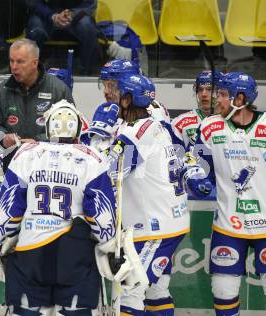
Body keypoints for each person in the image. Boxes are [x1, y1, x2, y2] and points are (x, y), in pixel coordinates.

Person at [0, 99, 120, 315]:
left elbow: (9, 208)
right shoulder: (92, 158)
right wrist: (110, 246)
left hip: (31, 254)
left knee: (26, 311)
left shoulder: (26, 153)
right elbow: (102, 218)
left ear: (48, 127)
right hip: (75, 256)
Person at [107, 73, 190, 315]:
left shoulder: (135, 134)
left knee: (129, 289)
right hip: (167, 221)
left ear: (126, 100)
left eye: (119, 95)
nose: (115, 99)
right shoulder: (157, 126)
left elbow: (111, 173)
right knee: (156, 291)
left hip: (155, 227)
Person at [191, 72, 266, 316]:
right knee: (223, 291)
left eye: (222, 94)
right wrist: (195, 177)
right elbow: (198, 165)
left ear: (240, 98)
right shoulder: (210, 127)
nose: (216, 100)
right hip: (227, 225)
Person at [0, 39, 73, 171]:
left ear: (35, 63)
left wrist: (39, 143)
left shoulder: (58, 90)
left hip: (48, 169)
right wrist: (3, 137)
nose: (14, 67)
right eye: (11, 61)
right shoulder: (2, 90)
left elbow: (70, 132)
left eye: (20, 61)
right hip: (11, 169)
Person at [26, 0, 99, 75]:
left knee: (88, 27)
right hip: (45, 17)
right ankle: (29, 73)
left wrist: (72, 13)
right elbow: (33, 2)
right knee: (36, 31)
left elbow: (90, 3)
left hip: (75, 18)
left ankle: (87, 74)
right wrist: (52, 16)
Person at [171, 70, 222, 149]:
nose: (203, 94)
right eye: (200, 89)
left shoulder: (232, 122)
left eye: (210, 89)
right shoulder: (180, 123)